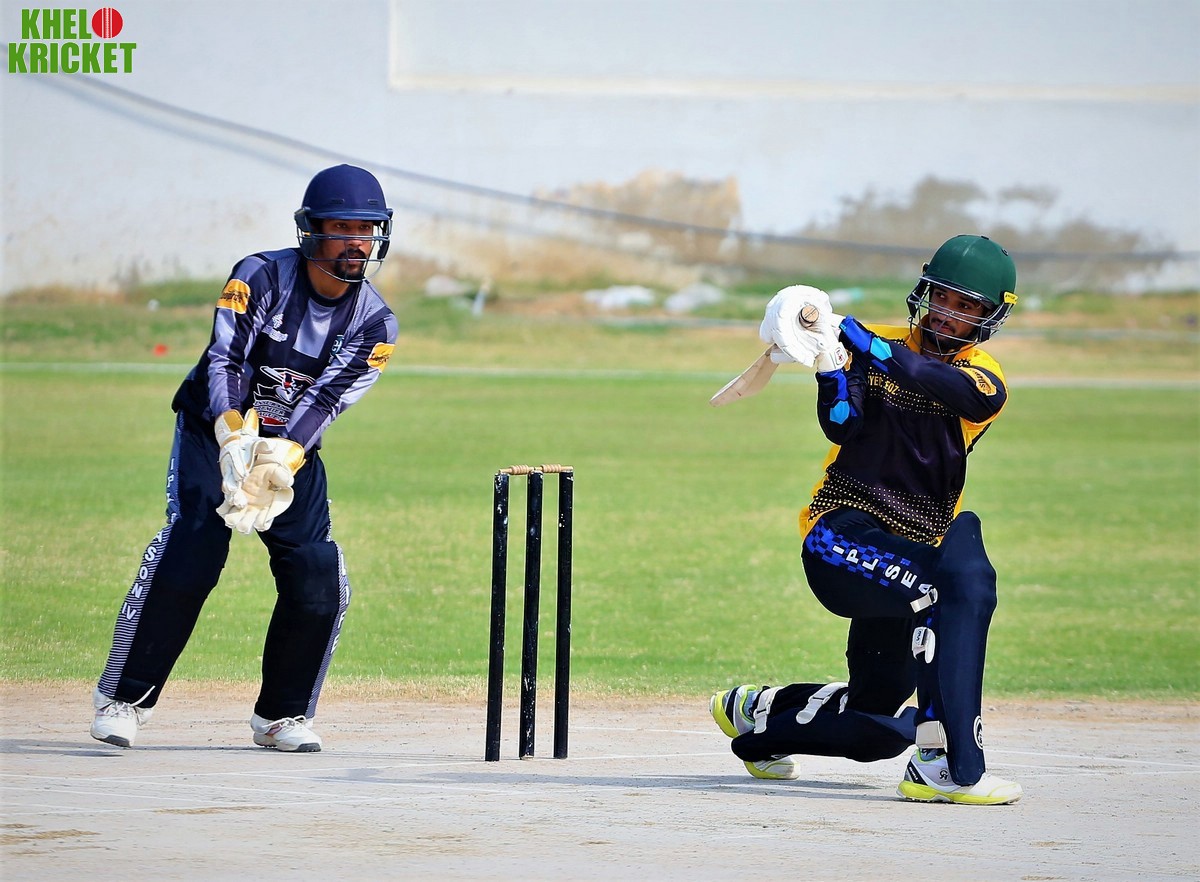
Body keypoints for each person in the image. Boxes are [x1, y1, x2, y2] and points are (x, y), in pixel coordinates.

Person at [90, 164, 398, 752]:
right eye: (342, 228)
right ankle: (123, 698)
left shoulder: (377, 322)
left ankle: (282, 715)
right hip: (214, 431)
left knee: (317, 572)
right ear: (311, 230)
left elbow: (327, 399)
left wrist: (280, 457)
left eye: (366, 229)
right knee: (195, 546)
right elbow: (225, 357)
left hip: (288, 451)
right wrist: (232, 435)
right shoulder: (260, 275)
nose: (356, 243)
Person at [710, 234, 1023, 805]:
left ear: (989, 317)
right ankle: (943, 763)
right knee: (942, 588)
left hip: (913, 553)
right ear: (924, 292)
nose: (948, 314)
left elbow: (940, 384)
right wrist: (830, 363)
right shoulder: (867, 344)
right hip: (840, 535)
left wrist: (861, 341)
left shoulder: (984, 378)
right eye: (942, 298)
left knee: (874, 726)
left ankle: (763, 716)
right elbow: (841, 424)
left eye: (967, 306)